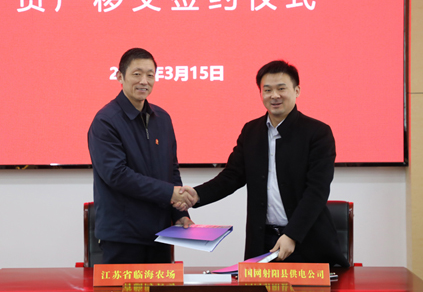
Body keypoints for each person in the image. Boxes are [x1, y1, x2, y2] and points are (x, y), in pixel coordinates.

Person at [183, 60, 348, 267]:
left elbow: (317, 190)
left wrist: (292, 235)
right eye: (267, 90)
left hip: (306, 241)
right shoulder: (251, 131)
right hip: (262, 242)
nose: (274, 95)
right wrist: (197, 195)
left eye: (281, 88)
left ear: (297, 90)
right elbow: (232, 176)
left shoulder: (318, 133)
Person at [88, 48, 195, 264]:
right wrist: (170, 193)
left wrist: (180, 214)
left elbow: (171, 170)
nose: (144, 81)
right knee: (125, 288)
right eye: (137, 74)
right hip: (123, 237)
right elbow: (117, 175)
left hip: (161, 234)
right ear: (120, 76)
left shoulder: (162, 118)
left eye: (150, 75)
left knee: (160, 287)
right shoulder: (105, 121)